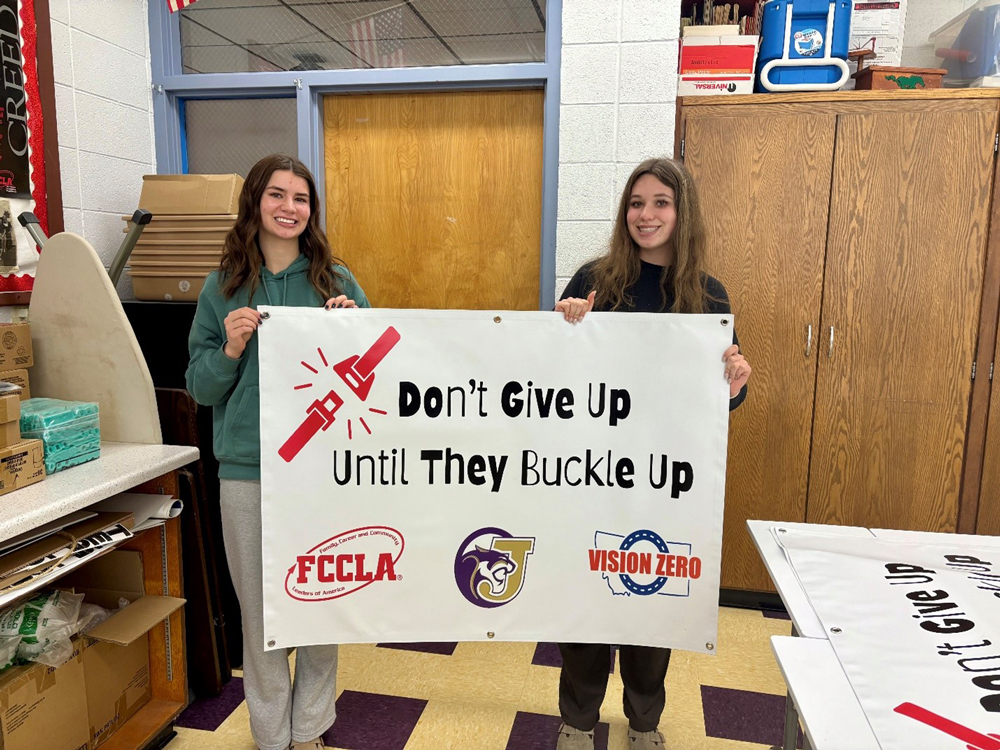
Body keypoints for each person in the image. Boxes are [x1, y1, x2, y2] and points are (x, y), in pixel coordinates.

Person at [553, 157, 751, 750]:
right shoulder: (594, 279)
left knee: (652, 599)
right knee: (585, 602)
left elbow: (721, 399)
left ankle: (644, 722)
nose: (646, 214)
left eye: (660, 202)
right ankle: (578, 720)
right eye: (636, 203)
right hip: (591, 475)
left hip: (664, 483)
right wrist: (564, 327)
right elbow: (547, 382)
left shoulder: (706, 294)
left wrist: (735, 383)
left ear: (681, 211)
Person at [186, 154, 369, 750]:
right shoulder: (222, 286)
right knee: (260, 613)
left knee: (321, 600)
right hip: (248, 470)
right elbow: (200, 388)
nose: (290, 208)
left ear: (311, 209)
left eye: (301, 198)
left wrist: (353, 330)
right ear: (255, 203)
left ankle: (310, 729)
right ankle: (271, 735)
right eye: (277, 195)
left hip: (323, 470)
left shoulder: (336, 281)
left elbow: (378, 373)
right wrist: (231, 349)